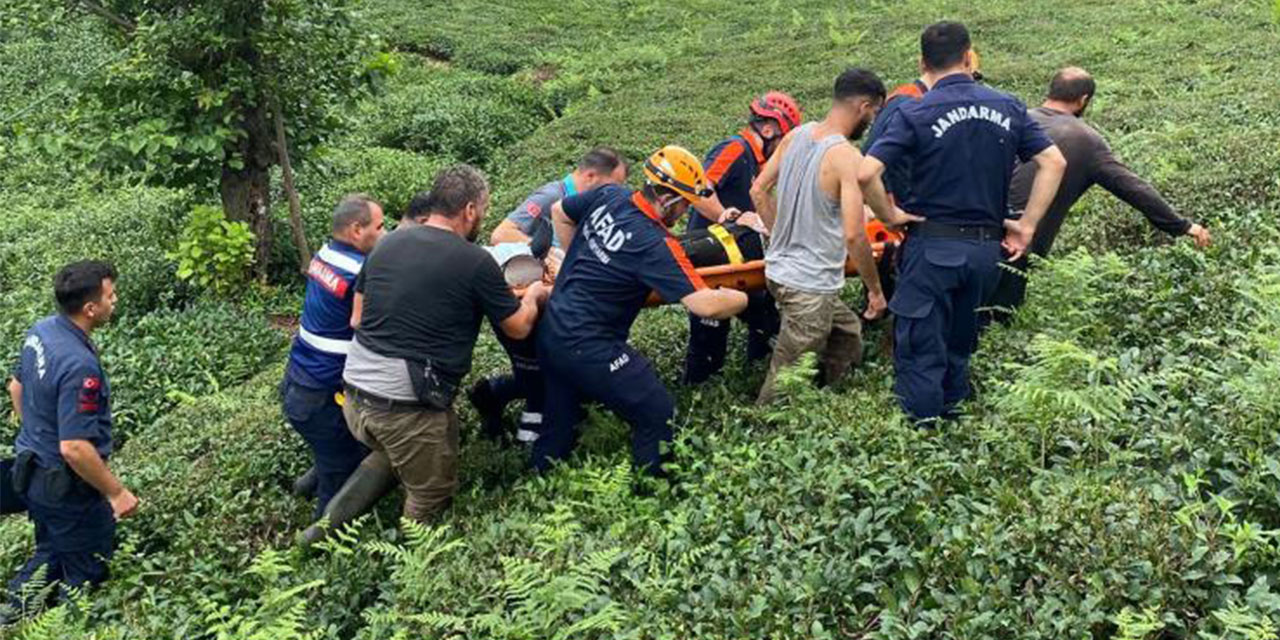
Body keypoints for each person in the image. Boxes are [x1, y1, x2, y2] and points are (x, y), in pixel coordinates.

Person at [859, 21, 1068, 423]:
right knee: (960, 340)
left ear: (922, 61)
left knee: (921, 348)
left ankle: (924, 436)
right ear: (969, 56)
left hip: (932, 249)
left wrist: (891, 217)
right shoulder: (1007, 106)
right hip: (984, 255)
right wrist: (1026, 225)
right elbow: (1053, 162)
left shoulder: (915, 111)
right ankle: (954, 424)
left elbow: (866, 173)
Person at [342, 165, 549, 522]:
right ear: (470, 210)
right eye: (483, 208)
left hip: (355, 392)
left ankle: (322, 531)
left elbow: (357, 318)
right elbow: (517, 328)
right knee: (430, 494)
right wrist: (534, 294)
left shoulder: (388, 241)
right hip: (405, 406)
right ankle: (413, 567)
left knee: (394, 454)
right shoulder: (474, 260)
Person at [533, 146, 749, 475]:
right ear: (666, 199)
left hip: (552, 330)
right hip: (592, 345)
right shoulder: (657, 244)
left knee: (558, 426)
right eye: (684, 203)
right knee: (657, 411)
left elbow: (560, 211)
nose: (683, 213)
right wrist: (742, 297)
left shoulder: (610, 195)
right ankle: (652, 489)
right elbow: (704, 303)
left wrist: (576, 265)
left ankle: (541, 484)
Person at [984, 66, 1212, 322]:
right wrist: (1182, 226)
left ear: (1050, 91)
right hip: (1017, 245)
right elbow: (1133, 189)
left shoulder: (1012, 120)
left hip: (967, 229)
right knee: (995, 322)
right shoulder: (1086, 140)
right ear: (1083, 101)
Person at [4, 261, 139, 618]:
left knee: (51, 550)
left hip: (31, 470)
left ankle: (12, 616)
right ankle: (67, 625)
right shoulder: (79, 365)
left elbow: (15, 387)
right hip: (66, 487)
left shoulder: (41, 331)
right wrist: (116, 492)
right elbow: (74, 447)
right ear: (90, 308)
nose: (115, 300)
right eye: (110, 296)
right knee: (86, 569)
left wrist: (38, 433)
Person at [749, 68, 889, 405]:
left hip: (780, 272)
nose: (872, 121)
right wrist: (875, 290)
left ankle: (830, 398)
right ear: (863, 106)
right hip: (808, 285)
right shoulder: (846, 157)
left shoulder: (796, 135)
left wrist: (781, 234)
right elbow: (855, 235)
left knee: (847, 333)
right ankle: (761, 431)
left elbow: (758, 190)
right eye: (874, 113)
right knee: (784, 380)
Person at [681, 92, 801, 385]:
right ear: (770, 129)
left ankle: (754, 382)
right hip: (711, 258)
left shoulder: (758, 164)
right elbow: (698, 188)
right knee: (709, 340)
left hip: (738, 260)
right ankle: (696, 396)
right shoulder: (734, 149)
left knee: (766, 324)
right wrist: (727, 215)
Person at [281, 195, 384, 517]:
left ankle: (302, 487)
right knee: (340, 469)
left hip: (297, 380)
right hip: (320, 395)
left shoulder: (325, 255)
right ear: (356, 230)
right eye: (380, 227)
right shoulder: (359, 273)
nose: (385, 233)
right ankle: (320, 542)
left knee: (332, 450)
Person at [489, 147, 628, 247]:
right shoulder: (552, 196)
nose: (614, 193)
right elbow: (501, 234)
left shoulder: (593, 207)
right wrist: (547, 252)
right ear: (590, 176)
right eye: (612, 186)